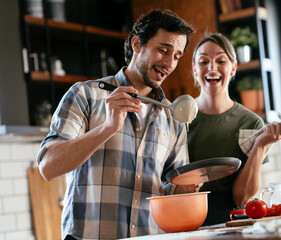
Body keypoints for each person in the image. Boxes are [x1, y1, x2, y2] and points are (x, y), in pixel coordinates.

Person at [36, 9, 196, 240]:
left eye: (177, 56)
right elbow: (48, 167)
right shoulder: (85, 95)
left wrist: (186, 188)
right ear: (137, 44)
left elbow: (172, 188)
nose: (170, 63)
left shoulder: (173, 117)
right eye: (163, 50)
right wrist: (107, 128)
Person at [188, 33, 281, 225]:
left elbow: (241, 198)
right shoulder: (179, 118)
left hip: (234, 220)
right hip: (185, 214)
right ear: (194, 69)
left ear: (233, 68)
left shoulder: (251, 123)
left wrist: (259, 146)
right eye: (203, 61)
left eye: (221, 60)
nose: (212, 67)